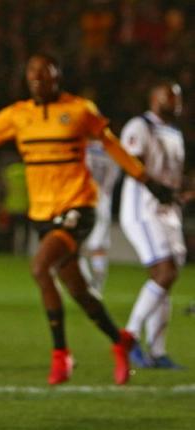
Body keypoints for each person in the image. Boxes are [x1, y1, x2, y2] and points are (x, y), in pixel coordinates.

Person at [0, 53, 174, 385]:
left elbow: (113, 146)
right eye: (31, 75)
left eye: (43, 74)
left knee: (39, 267)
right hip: (42, 213)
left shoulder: (79, 110)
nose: (37, 80)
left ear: (56, 77)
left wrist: (148, 181)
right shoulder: (18, 115)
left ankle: (61, 355)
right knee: (80, 291)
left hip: (78, 206)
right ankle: (121, 342)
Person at [120, 80, 188, 369]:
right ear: (153, 98)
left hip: (169, 213)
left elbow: (171, 175)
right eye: (168, 95)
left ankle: (157, 352)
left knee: (165, 281)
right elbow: (130, 163)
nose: (174, 100)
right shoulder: (139, 126)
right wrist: (158, 189)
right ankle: (129, 338)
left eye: (177, 97)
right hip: (142, 210)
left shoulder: (175, 133)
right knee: (165, 272)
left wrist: (181, 191)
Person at [78, 138, 121, 294]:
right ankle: (98, 286)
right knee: (99, 247)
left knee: (77, 246)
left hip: (83, 199)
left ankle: (88, 286)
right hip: (104, 200)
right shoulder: (111, 150)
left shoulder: (82, 146)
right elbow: (114, 177)